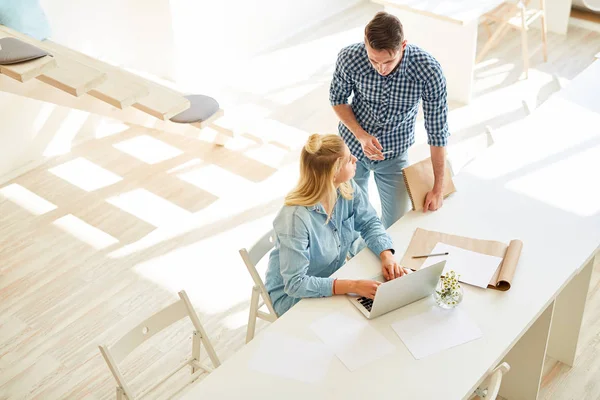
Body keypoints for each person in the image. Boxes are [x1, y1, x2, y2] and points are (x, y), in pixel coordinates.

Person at [264, 134, 409, 316]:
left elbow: (370, 222)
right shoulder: (295, 219)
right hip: (294, 297)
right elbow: (295, 284)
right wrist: (352, 285)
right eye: (349, 159)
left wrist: (386, 255)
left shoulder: (346, 187)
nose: (356, 159)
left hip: (333, 277)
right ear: (334, 172)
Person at [330, 11, 450, 229]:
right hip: (352, 150)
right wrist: (361, 135)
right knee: (350, 216)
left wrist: (438, 188)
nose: (381, 69)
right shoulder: (349, 58)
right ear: (364, 43)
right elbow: (337, 99)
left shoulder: (428, 70)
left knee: (396, 224)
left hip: (394, 154)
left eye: (388, 61)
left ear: (403, 46)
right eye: (373, 60)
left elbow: (438, 132)